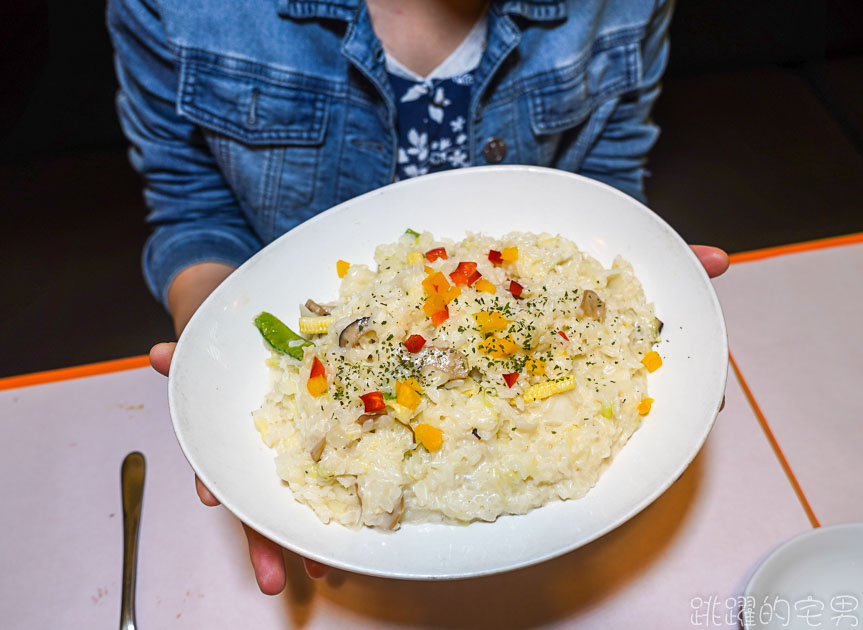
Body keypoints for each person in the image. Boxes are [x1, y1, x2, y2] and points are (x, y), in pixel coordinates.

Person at [108, 0, 729, 595]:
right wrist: (212, 347)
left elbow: (603, 177)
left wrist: (652, 260)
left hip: (575, 544)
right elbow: (192, 201)